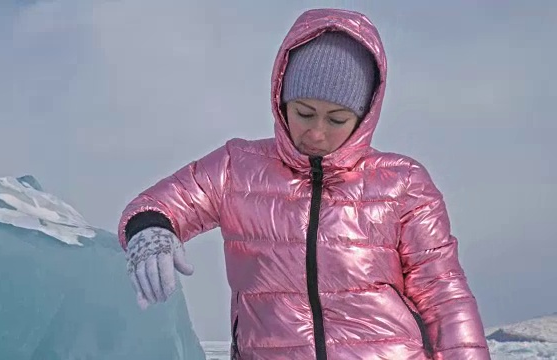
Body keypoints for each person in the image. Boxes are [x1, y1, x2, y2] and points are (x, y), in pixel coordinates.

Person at [117, 8, 490, 360]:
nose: (316, 131)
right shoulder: (236, 168)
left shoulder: (404, 183)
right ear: (281, 101)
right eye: (304, 112)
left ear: (364, 116)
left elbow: (444, 295)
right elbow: (158, 205)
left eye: (337, 118)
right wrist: (150, 230)